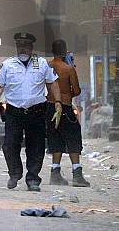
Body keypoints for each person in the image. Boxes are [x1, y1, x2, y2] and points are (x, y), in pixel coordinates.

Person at [0, 32, 62, 192]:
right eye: (20, 45)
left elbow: (52, 83)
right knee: (9, 145)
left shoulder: (42, 63)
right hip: (14, 112)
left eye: (26, 45)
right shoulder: (8, 65)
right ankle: (14, 173)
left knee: (36, 146)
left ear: (32, 47)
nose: (22, 48)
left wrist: (58, 103)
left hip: (37, 111)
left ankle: (33, 179)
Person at [47, 39, 90, 187]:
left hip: (50, 107)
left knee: (55, 137)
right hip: (65, 106)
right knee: (73, 137)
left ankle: (55, 173)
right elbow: (77, 90)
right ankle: (77, 174)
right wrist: (67, 93)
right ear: (65, 52)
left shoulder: (47, 66)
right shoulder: (68, 69)